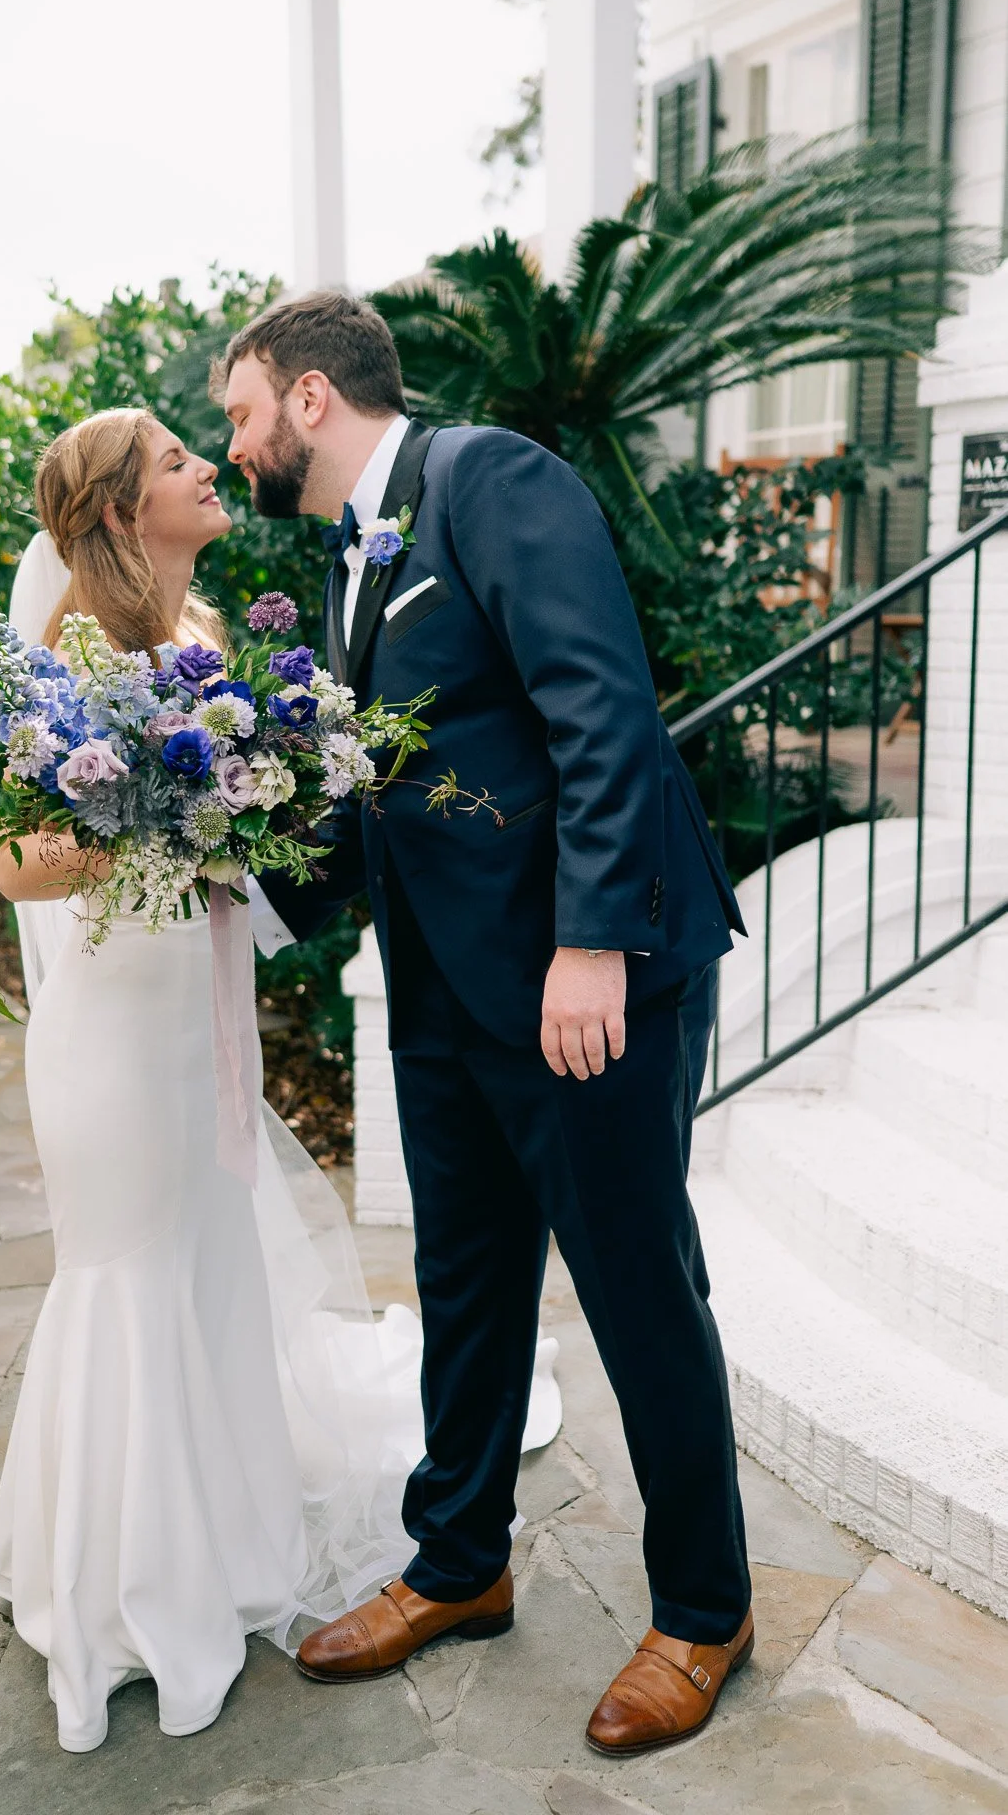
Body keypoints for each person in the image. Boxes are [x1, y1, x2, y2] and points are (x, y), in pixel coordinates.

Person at [216, 291, 755, 1756]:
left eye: (241, 412)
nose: (236, 443)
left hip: (583, 988)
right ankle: (459, 1563)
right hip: (446, 997)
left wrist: (591, 942)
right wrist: (235, 907)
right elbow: (378, 793)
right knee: (460, 1286)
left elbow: (603, 711)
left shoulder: (491, 480)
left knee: (638, 1291)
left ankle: (704, 1611)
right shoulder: (354, 562)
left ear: (310, 396)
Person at [0, 406, 561, 1753]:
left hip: (196, 1019)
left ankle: (221, 1542)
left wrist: (249, 803)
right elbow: (10, 860)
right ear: (120, 509)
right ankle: (126, 1590)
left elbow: (263, 828)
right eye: (176, 461)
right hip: (114, 1037)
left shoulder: (201, 645)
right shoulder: (63, 655)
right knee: (127, 1276)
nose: (207, 467)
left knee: (205, 1266)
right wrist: (158, 818)